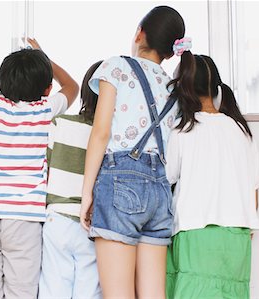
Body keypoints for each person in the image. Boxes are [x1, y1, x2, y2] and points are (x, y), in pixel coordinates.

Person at [80, 6, 191, 298]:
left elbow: (101, 132)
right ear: (170, 50)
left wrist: (87, 193)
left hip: (120, 184)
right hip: (160, 189)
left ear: (140, 33)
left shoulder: (116, 66)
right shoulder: (173, 87)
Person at [0, 38, 79, 299]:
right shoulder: (46, 109)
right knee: (22, 291)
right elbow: (73, 86)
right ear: (47, 89)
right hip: (25, 216)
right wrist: (44, 57)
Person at [165, 54, 259, 299]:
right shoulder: (242, 131)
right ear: (216, 87)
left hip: (196, 232)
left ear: (182, 88)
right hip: (237, 239)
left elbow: (168, 178)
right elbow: (254, 193)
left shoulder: (182, 130)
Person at [38, 60, 103, 299]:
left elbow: (46, 170)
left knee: (54, 289)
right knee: (89, 290)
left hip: (57, 219)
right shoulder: (111, 135)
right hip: (92, 223)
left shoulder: (60, 124)